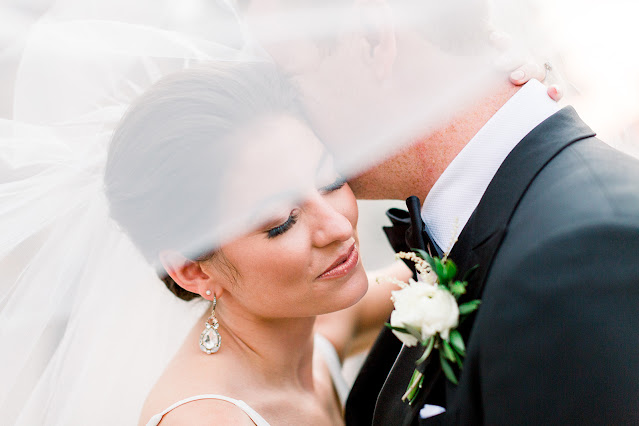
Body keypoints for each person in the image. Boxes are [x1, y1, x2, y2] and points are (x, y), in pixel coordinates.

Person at [240, 1, 639, 424]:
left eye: (291, 80)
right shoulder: (486, 223)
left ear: (376, 40)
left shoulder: (583, 257)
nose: (292, 118)